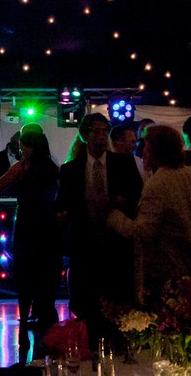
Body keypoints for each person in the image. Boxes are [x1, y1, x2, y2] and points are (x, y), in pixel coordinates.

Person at [107, 126, 191, 304]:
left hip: (168, 268)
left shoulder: (157, 184)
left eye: (146, 147)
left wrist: (112, 215)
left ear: (155, 151)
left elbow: (143, 231)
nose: (143, 152)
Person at [57, 113, 142, 349]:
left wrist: (121, 202)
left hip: (116, 243)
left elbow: (138, 196)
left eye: (105, 131)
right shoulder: (70, 169)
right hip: (84, 244)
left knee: (118, 300)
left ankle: (121, 347)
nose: (101, 136)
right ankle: (91, 347)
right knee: (88, 302)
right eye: (96, 131)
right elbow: (62, 203)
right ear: (85, 135)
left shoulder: (124, 163)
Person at [0, 128, 62, 363]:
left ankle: (25, 321)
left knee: (26, 273)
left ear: (30, 147)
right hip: (48, 225)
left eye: (23, 146)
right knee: (46, 273)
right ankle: (47, 320)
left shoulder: (22, 167)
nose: (21, 149)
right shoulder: (53, 169)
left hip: (27, 224)